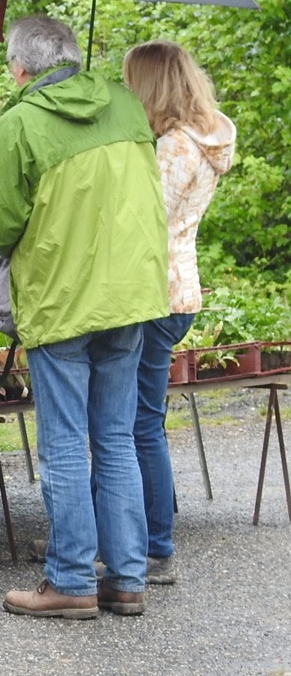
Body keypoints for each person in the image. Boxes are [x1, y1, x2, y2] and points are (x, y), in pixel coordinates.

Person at [0, 15, 169, 620]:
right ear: (73, 55)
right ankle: (128, 578)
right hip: (131, 294)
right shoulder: (126, 105)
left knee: (63, 444)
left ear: (20, 68)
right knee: (115, 438)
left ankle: (70, 581)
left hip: (62, 302)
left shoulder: (20, 124)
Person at [121, 41, 236, 586]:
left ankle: (154, 545)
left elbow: (143, 216)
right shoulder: (204, 137)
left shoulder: (176, 147)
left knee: (141, 423)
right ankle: (141, 535)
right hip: (178, 289)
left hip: (154, 292)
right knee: (144, 419)